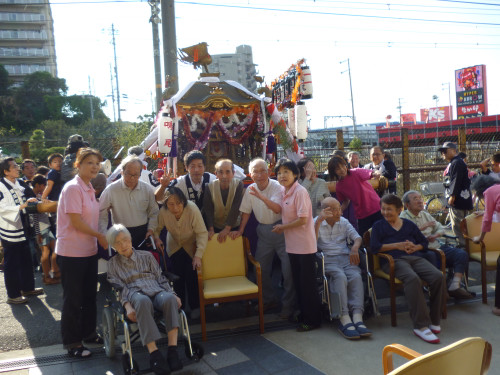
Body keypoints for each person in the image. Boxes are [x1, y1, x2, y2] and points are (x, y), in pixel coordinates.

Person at [107, 224, 183, 374]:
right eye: (117, 243)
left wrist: (173, 294)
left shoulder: (147, 256)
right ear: (113, 246)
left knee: (169, 299)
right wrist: (127, 307)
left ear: (130, 239)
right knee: (143, 301)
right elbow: (120, 289)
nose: (123, 245)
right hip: (135, 295)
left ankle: (172, 350)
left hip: (156, 290)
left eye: (125, 240)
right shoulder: (112, 264)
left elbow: (161, 279)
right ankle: (154, 353)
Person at [370, 194, 445, 344]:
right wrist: (396, 245)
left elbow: (423, 243)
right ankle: (420, 326)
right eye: (383, 209)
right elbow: (374, 247)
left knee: (438, 276)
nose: (385, 212)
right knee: (412, 278)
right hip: (393, 261)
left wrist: (414, 246)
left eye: (389, 209)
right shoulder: (379, 226)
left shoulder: (408, 225)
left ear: (399, 210)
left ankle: (434, 319)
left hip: (414, 257)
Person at [55, 148, 108, 358]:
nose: (94, 166)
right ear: (78, 165)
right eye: (89, 163)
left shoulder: (88, 188)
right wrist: (99, 235)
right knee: (73, 299)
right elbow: (76, 222)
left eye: (97, 163)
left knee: (89, 296)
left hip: (88, 251)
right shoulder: (72, 188)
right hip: (71, 253)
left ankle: (89, 333)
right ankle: (72, 343)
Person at [230, 158, 296, 319]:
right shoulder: (250, 188)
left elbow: (277, 208)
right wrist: (240, 230)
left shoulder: (277, 186)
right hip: (263, 232)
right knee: (260, 269)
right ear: (250, 174)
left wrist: (261, 197)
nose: (259, 175)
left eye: (262, 171)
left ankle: (289, 307)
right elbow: (246, 212)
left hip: (282, 229)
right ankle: (269, 299)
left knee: (288, 271)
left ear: (269, 172)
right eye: (255, 171)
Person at [272, 158, 321, 332]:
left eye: (286, 171)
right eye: (279, 172)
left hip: (304, 246)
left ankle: (313, 319)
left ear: (296, 175)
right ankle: (303, 314)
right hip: (292, 245)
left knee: (307, 285)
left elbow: (303, 220)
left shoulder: (300, 191)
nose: (282, 175)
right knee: (298, 283)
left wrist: (282, 227)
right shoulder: (284, 191)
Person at [315, 197, 371, 340]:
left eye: (339, 208)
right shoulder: (316, 222)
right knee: (340, 277)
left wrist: (354, 247)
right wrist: (318, 222)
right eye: (334, 209)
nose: (339, 211)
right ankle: (343, 317)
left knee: (356, 276)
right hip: (327, 259)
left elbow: (357, 238)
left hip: (346, 257)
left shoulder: (344, 222)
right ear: (325, 210)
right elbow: (312, 242)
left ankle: (358, 316)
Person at [400, 190, 473, 299]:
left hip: (435, 245)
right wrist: (421, 228)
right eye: (415, 199)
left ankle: (454, 285)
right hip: (420, 249)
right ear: (407, 205)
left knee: (461, 253)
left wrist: (435, 235)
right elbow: (404, 235)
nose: (420, 201)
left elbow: (439, 227)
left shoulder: (425, 214)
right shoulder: (403, 218)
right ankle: (439, 291)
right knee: (432, 256)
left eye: (420, 198)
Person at [154, 187, 207, 320]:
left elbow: (202, 233)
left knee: (192, 276)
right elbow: (157, 228)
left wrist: (198, 255)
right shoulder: (163, 212)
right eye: (171, 204)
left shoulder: (192, 209)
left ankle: (195, 307)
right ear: (166, 204)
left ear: (183, 201)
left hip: (192, 245)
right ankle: (180, 308)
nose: (176, 208)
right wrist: (157, 238)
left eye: (179, 203)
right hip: (174, 246)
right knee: (177, 278)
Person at [0, 157, 44, 304]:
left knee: (26, 258)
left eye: (17, 166)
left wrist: (36, 201)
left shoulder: (20, 183)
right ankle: (13, 295)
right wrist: (21, 206)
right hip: (9, 228)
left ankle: (27, 287)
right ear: (5, 171)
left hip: (24, 225)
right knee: (12, 262)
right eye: (14, 167)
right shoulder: (0, 186)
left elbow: (30, 198)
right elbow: (2, 208)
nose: (18, 168)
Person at [99, 155, 159, 249]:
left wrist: (151, 229)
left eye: (135, 175)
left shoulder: (147, 189)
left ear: (140, 174)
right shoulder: (111, 189)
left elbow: (154, 212)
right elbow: (101, 212)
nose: (132, 178)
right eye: (128, 174)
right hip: (120, 234)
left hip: (143, 233)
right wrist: (104, 233)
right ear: (122, 172)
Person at [328, 156, 382, 237]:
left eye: (343, 166)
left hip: (376, 208)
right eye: (338, 169)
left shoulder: (356, 172)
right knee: (365, 238)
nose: (342, 169)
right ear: (334, 172)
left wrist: (375, 173)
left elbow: (370, 173)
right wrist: (339, 210)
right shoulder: (339, 186)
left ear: (346, 165)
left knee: (381, 233)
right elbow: (346, 201)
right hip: (362, 214)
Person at [471, 175, 500, 316]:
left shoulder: (489, 192)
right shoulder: (498, 189)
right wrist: (485, 211)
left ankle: (499, 307)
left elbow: (488, 219)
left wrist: (479, 237)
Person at [439, 141, 472, 247]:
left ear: (453, 150)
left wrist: (452, 196)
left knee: (458, 224)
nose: (442, 153)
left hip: (458, 198)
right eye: (442, 151)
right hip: (463, 197)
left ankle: (463, 245)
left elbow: (456, 180)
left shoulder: (456, 162)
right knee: (463, 223)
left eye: (445, 151)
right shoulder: (456, 162)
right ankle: (466, 245)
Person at [203, 159, 244, 243]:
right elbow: (208, 209)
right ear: (216, 174)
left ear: (233, 173)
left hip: (234, 227)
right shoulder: (209, 187)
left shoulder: (238, 185)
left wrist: (227, 228)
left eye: (228, 172)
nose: (224, 176)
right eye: (220, 172)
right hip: (216, 227)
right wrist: (211, 229)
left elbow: (236, 207)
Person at [30, 174, 60, 285]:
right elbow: (33, 218)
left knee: (55, 248)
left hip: (46, 228)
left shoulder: (39, 197)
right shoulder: (32, 198)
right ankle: (47, 277)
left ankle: (54, 271)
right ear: (38, 185)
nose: (45, 187)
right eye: (44, 185)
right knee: (45, 253)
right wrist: (38, 233)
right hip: (41, 230)